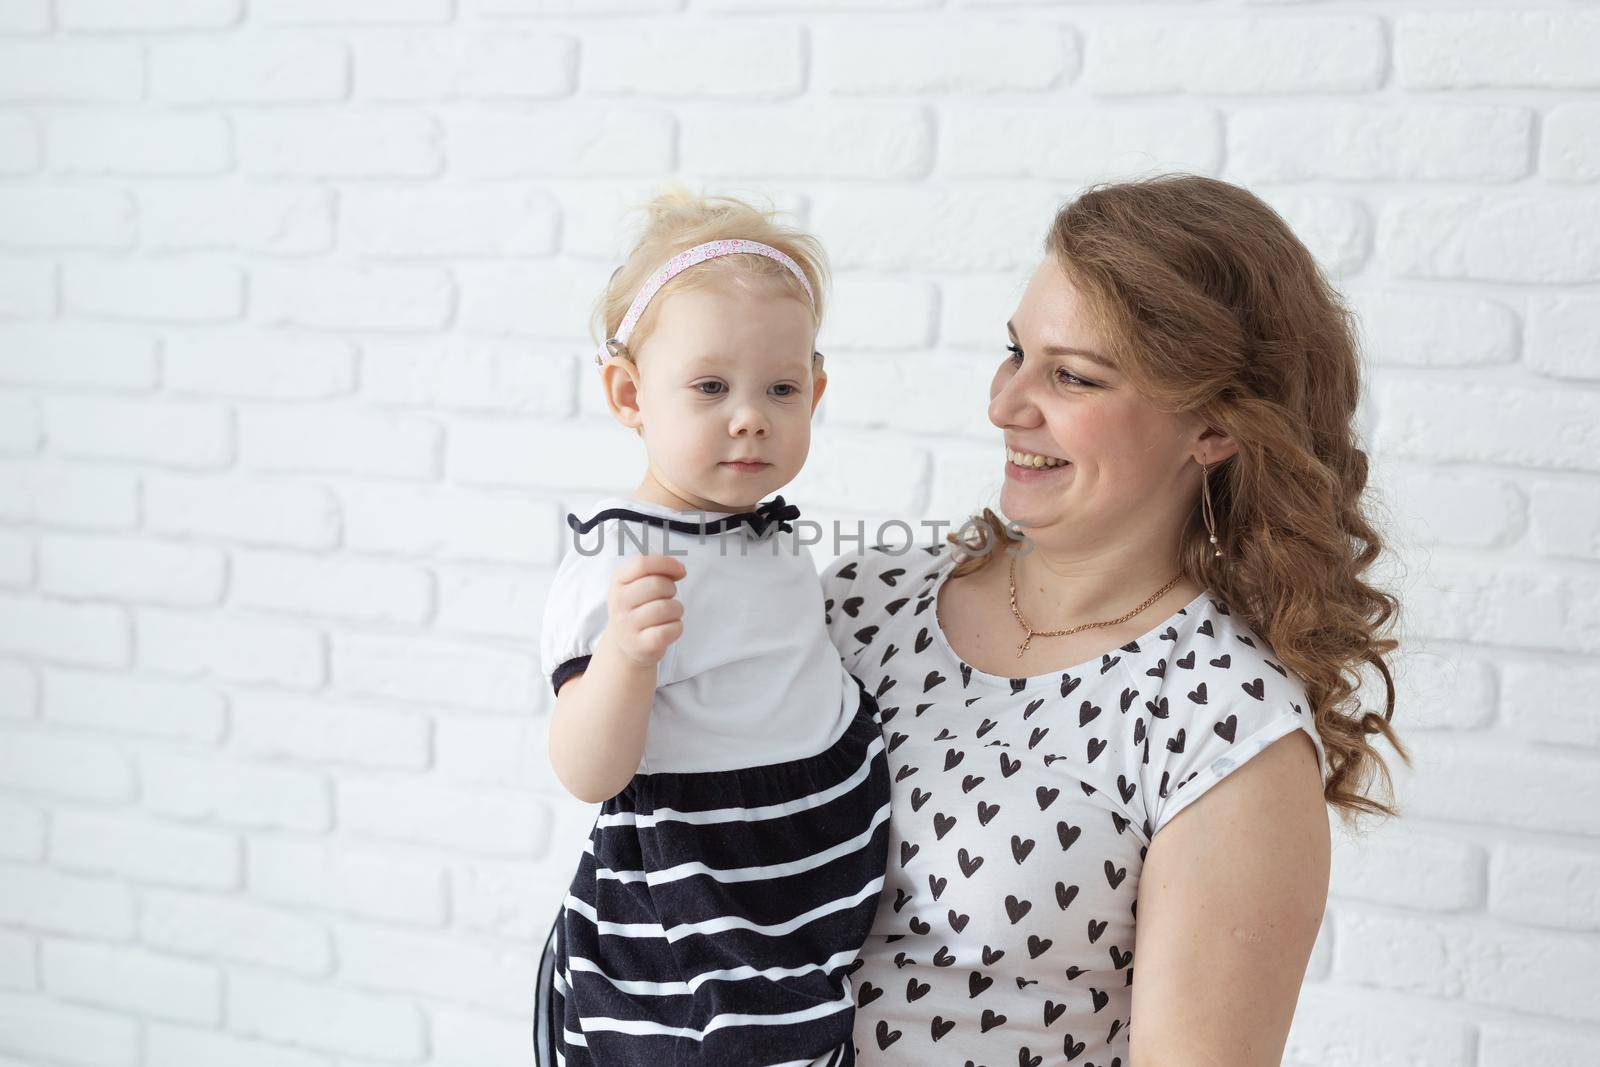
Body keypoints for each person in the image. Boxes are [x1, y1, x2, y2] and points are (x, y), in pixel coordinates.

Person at [819, 173, 1410, 1066]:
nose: (1006, 404)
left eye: (1073, 375)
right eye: (1013, 352)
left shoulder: (1222, 726)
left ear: (1212, 428)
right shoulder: (861, 606)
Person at [536, 189, 890, 1066]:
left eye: (780, 387)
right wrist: (624, 657)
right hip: (703, 887)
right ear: (629, 394)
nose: (751, 414)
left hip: (802, 881)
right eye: (710, 387)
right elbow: (586, 768)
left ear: (816, 389)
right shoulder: (620, 563)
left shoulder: (761, 526)